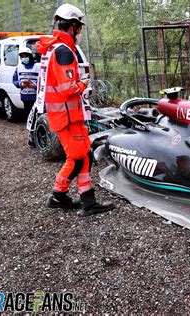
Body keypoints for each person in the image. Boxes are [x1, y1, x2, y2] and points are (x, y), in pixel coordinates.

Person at [35, 3, 114, 216]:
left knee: (84, 155)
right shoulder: (63, 52)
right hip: (67, 116)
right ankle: (60, 197)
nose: (79, 32)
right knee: (79, 158)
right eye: (78, 28)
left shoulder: (54, 48)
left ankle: (83, 200)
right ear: (70, 26)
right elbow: (67, 89)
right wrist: (83, 83)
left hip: (65, 115)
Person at [12, 47, 40, 146]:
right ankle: (32, 137)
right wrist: (21, 84)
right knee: (30, 117)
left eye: (26, 56)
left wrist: (35, 85)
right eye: (22, 56)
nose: (24, 58)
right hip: (26, 97)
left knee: (37, 117)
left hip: (37, 97)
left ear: (30, 56)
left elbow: (43, 80)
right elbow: (14, 80)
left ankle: (37, 137)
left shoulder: (38, 66)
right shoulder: (19, 68)